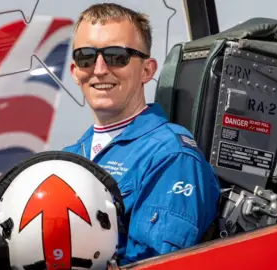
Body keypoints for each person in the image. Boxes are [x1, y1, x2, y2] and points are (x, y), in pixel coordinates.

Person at [63, 2, 221, 265]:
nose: (100, 69)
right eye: (86, 57)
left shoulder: (172, 156)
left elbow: (156, 262)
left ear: (147, 70)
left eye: (116, 56)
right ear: (75, 72)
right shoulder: (67, 160)